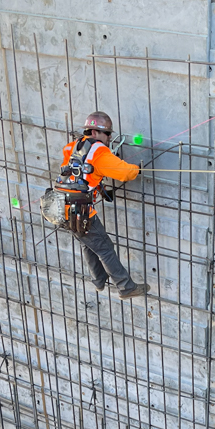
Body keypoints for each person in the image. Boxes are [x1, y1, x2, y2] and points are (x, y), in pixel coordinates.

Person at [55, 111, 149, 300]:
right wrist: (137, 169)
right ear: (97, 132)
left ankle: (98, 280)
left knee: (87, 243)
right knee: (104, 247)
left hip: (60, 208)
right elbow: (124, 173)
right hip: (80, 212)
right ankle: (125, 287)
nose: (109, 139)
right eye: (108, 134)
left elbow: (77, 174)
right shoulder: (98, 151)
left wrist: (99, 186)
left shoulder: (74, 146)